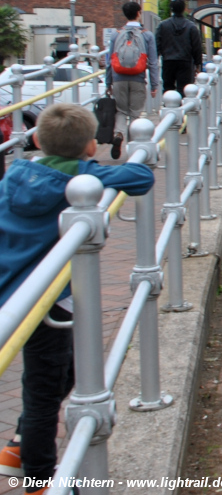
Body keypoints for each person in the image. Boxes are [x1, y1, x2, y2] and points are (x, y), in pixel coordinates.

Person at [0, 104, 154, 491]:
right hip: (44, 299)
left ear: (36, 140)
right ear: (89, 146)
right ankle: (39, 479)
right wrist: (90, 166)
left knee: (65, 373)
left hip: (10, 287)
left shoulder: (16, 172)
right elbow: (139, 177)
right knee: (44, 389)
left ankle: (18, 446)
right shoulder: (81, 177)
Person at [104, 2, 159, 160]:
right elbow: (153, 62)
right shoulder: (147, 35)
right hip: (138, 78)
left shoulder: (116, 34)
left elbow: (109, 61)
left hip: (118, 78)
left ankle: (119, 134)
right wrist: (154, 84)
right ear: (139, 13)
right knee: (135, 113)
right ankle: (133, 148)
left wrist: (108, 83)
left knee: (121, 111)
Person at [156, 0, 204, 96]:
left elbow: (157, 44)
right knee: (185, 89)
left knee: (168, 88)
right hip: (185, 61)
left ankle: (169, 104)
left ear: (171, 9)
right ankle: (183, 105)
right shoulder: (191, 26)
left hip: (168, 61)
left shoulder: (163, 25)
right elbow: (197, 46)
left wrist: (157, 58)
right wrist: (198, 63)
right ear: (184, 9)